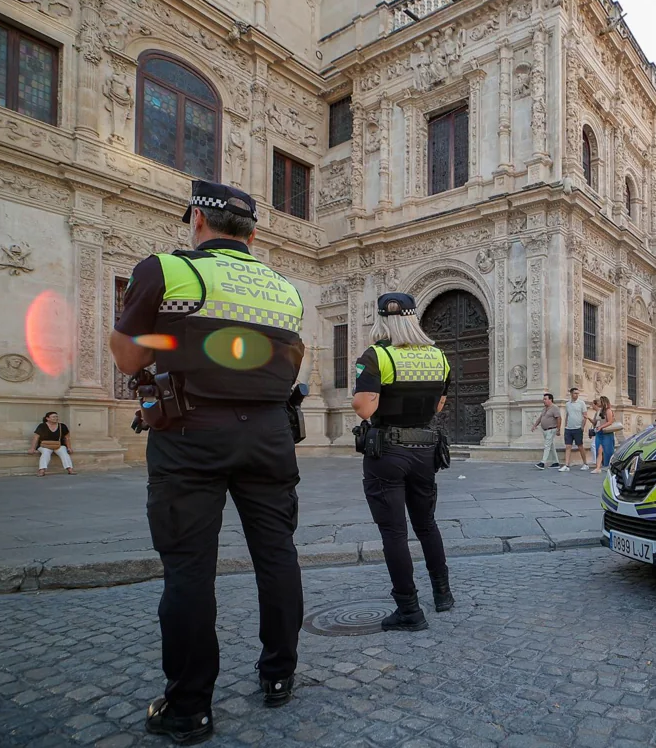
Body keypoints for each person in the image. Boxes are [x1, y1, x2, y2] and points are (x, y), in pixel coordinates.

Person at [109, 180, 306, 745]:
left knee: (189, 569)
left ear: (197, 219)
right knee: (276, 554)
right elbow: (286, 360)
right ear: (253, 232)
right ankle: (279, 675)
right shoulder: (284, 288)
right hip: (269, 433)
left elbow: (127, 354)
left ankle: (189, 707)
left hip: (191, 429)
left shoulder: (168, 271)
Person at [352, 292, 454, 632]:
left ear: (382, 320)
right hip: (425, 452)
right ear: (414, 318)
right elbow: (439, 406)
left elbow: (365, 408)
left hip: (387, 454)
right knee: (427, 525)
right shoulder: (440, 357)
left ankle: (410, 610)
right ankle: (443, 594)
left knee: (395, 533)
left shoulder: (376, 355)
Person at [28, 411, 74, 476]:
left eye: (56, 416)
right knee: (45, 453)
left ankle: (70, 469)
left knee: (64, 452)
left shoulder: (62, 426)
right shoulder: (42, 426)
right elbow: (36, 437)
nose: (56, 418)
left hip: (58, 445)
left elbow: (67, 438)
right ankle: (42, 470)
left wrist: (69, 448)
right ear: (47, 418)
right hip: (44, 445)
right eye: (53, 417)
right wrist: (32, 448)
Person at [561, 387, 589, 472]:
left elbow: (585, 416)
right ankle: (566, 465)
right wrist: (565, 425)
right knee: (568, 446)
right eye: (575, 393)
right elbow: (567, 415)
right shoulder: (567, 404)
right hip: (569, 428)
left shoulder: (581, 403)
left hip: (577, 428)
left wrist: (582, 427)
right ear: (571, 394)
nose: (576, 395)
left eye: (577, 393)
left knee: (580, 446)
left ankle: (585, 463)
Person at [531, 393, 561, 469]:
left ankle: (543, 462)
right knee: (551, 446)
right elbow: (540, 418)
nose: (543, 401)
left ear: (550, 400)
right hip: (545, 430)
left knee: (547, 445)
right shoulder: (544, 409)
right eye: (543, 399)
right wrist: (535, 425)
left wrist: (558, 429)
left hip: (551, 429)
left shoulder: (555, 408)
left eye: (545, 399)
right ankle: (556, 462)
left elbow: (559, 418)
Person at [591, 396, 616, 474]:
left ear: (603, 402)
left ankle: (610, 465)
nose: (597, 403)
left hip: (607, 433)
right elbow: (596, 422)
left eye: (599, 401)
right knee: (599, 450)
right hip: (599, 432)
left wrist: (601, 426)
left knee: (608, 450)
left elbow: (610, 422)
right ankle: (598, 467)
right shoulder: (599, 411)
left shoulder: (608, 411)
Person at [585, 398, 601, 469]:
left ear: (596, 404)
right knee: (595, 446)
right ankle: (596, 461)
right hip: (596, 430)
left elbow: (597, 423)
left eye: (593, 404)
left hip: (599, 430)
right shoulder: (597, 412)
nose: (592, 406)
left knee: (593, 446)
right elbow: (594, 422)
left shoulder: (599, 412)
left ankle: (595, 462)